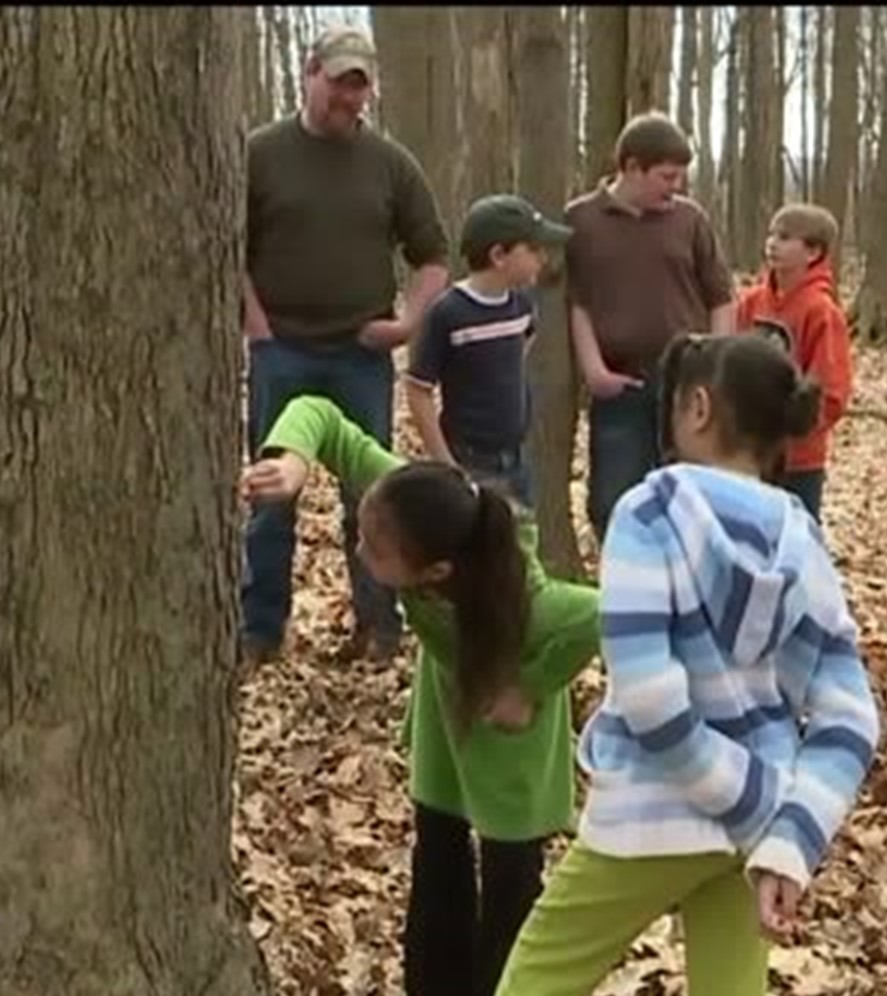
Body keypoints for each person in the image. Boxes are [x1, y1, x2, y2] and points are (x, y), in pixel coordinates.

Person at [469, 333, 883, 996]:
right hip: (751, 823)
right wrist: (786, 829)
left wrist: (746, 799)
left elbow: (651, 696)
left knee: (538, 979)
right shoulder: (801, 535)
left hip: (654, 809)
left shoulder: (649, 512)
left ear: (697, 407)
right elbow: (850, 715)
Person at [239, 395, 600, 996]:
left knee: (511, 885)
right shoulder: (420, 506)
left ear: (435, 572)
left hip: (511, 745)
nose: (358, 546)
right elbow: (320, 413)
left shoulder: (530, 601)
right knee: (438, 853)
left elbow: (600, 616)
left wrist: (531, 688)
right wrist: (289, 463)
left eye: (375, 550)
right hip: (446, 722)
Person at [242, 25, 450, 667]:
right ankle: (260, 631)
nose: (349, 100)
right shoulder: (261, 154)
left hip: (360, 354)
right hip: (283, 349)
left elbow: (432, 257)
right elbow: (227, 246)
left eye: (360, 88)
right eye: (339, 84)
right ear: (311, 74)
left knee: (373, 496)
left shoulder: (390, 164)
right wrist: (254, 321)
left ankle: (379, 628)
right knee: (274, 492)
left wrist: (409, 321)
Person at [564, 111, 734, 545]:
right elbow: (577, 302)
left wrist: (714, 364)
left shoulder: (689, 220)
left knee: (688, 494)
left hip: (685, 380)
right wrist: (593, 369)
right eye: (666, 176)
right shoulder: (581, 221)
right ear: (633, 167)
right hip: (621, 379)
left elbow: (721, 297)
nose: (674, 187)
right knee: (613, 497)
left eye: (679, 177)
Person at [404, 194, 571, 506]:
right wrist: (445, 463)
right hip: (470, 461)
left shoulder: (521, 305)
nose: (543, 259)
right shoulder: (449, 313)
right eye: (533, 250)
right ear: (498, 255)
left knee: (520, 542)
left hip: (517, 458)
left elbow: (523, 343)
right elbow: (418, 390)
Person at [734, 203, 854, 520]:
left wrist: (796, 426)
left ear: (813, 252)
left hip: (798, 459)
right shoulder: (751, 302)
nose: (772, 243)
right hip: (747, 451)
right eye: (771, 234)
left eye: (786, 237)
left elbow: (830, 390)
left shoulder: (821, 312)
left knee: (795, 541)